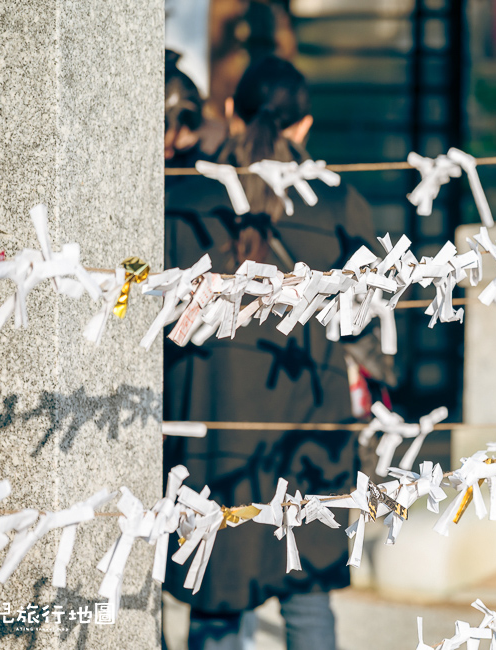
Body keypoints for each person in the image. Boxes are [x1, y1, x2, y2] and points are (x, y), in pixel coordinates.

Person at [163, 55, 379, 650]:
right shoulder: (336, 201)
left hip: (215, 428)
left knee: (217, 598)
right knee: (308, 596)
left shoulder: (183, 195)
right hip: (308, 422)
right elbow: (368, 312)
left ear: (231, 110)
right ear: (304, 126)